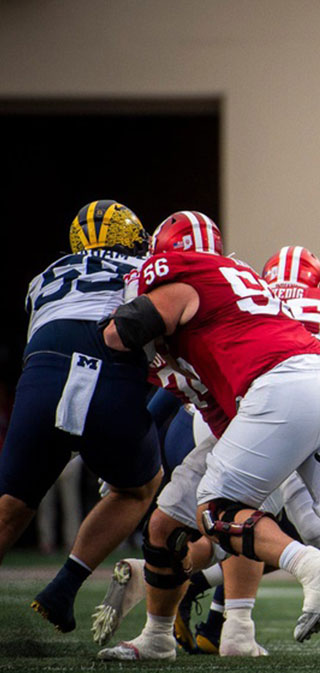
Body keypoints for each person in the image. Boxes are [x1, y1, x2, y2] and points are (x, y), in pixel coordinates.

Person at [95, 214, 320, 666]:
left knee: (215, 509)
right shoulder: (240, 286)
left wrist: (100, 317)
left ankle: (309, 570)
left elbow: (124, 330)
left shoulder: (184, 279)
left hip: (274, 392)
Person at [0, 201, 163, 634]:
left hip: (40, 371)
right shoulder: (147, 265)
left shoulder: (44, 276)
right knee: (139, 488)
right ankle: (64, 588)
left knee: (11, 505)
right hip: (106, 367)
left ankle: (61, 591)